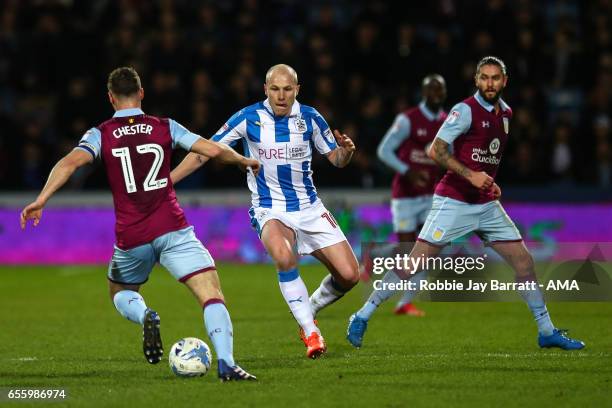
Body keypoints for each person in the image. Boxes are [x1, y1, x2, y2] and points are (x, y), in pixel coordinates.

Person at [20, 67, 258, 381]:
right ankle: (227, 363)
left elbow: (69, 163)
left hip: (132, 235)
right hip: (172, 227)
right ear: (141, 92)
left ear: (110, 97)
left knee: (120, 290)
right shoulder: (165, 126)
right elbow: (212, 150)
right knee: (210, 293)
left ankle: (144, 313)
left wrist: (42, 198)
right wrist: (242, 161)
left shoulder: (100, 134)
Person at [347, 56, 585, 350]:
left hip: (486, 205)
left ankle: (546, 331)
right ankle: (362, 315)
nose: (489, 83)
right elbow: (436, 150)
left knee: (524, 261)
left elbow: (487, 157)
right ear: (476, 80)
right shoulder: (464, 110)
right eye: (484, 77)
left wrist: (490, 182)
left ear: (504, 81)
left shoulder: (507, 113)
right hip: (453, 201)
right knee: (414, 261)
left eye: (495, 78)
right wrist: (471, 176)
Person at [171, 64, 359, 359]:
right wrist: (167, 182)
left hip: (309, 207)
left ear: (297, 89)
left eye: (287, 89)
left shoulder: (311, 117)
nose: (281, 96)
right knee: (285, 257)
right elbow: (202, 152)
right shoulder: (247, 118)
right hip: (270, 209)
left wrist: (346, 152)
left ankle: (307, 309)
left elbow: (335, 159)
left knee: (350, 276)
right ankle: (311, 332)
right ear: (265, 89)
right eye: (275, 89)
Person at [366, 74, 448, 317]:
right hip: (405, 195)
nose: (436, 95)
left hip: (430, 195)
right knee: (407, 250)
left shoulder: (448, 122)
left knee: (428, 250)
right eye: (431, 90)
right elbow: (384, 151)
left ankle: (405, 303)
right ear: (423, 93)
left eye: (440, 90)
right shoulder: (408, 120)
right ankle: (376, 252)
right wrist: (408, 172)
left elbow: (448, 155)